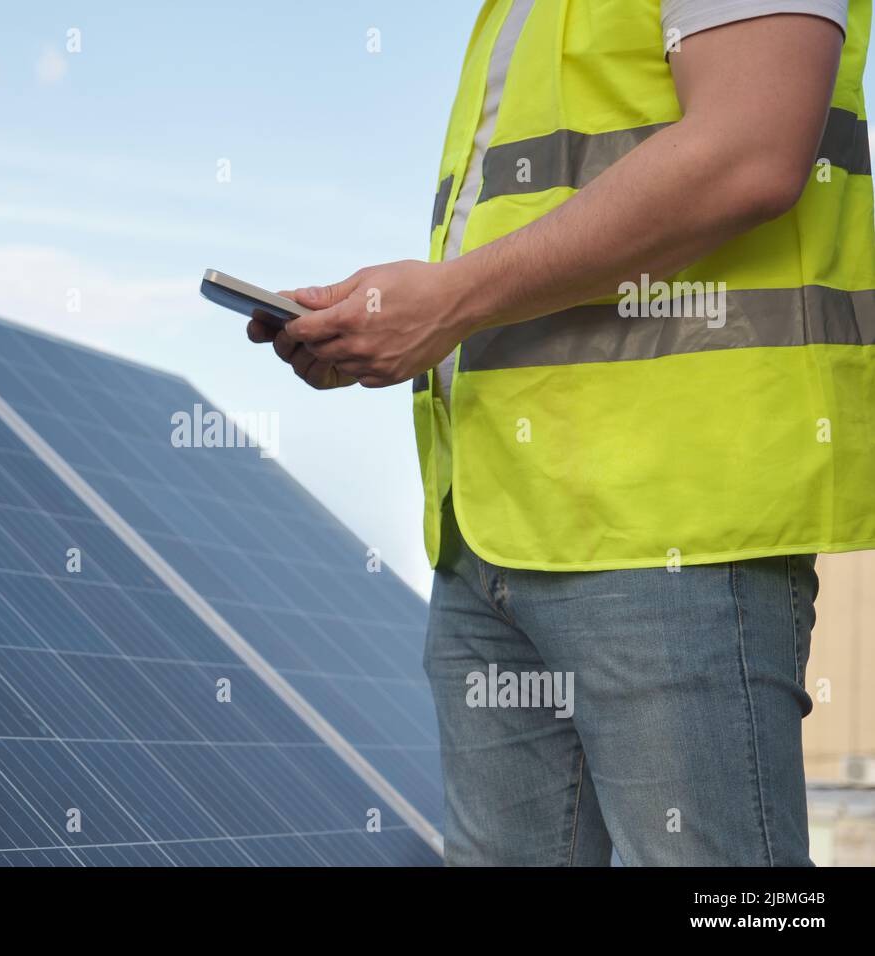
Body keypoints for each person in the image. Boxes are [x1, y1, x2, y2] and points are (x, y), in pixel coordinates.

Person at [249, 0, 869, 865]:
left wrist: (449, 301)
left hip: (670, 519)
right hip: (491, 523)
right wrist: (395, 322)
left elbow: (751, 151)